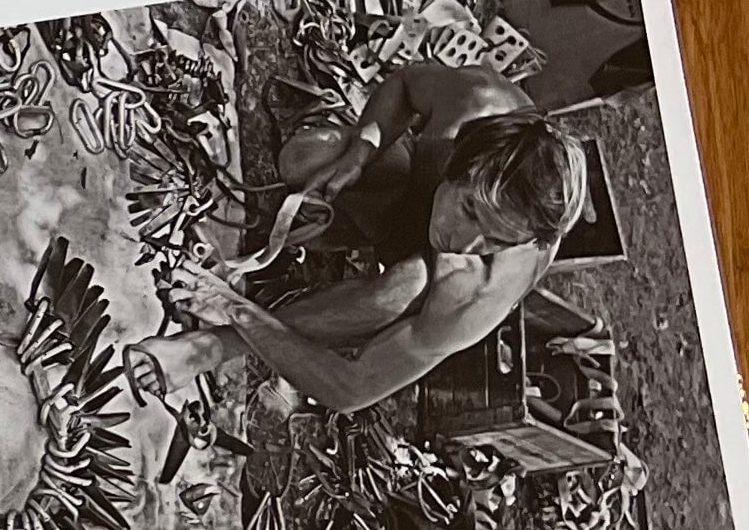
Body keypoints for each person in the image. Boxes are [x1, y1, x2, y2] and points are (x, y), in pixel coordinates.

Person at [151, 71, 592, 417]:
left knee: (399, 289)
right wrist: (358, 155)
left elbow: (352, 388)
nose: (465, 242)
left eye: (496, 240)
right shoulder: (474, 101)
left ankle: (218, 345)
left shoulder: (477, 291)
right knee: (308, 156)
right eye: (471, 212)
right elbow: (403, 85)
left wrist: (234, 314)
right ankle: (324, 228)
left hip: (423, 269)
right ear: (462, 158)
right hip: (415, 191)